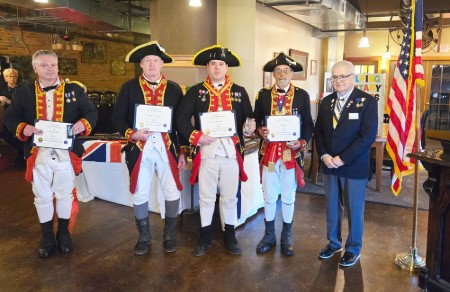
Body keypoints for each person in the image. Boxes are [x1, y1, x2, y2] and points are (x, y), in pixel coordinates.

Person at [4, 50, 98, 258]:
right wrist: (23, 127)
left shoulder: (75, 90)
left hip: (66, 153)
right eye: (44, 65)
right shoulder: (23, 92)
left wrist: (83, 123)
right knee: (42, 196)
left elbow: (91, 113)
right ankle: (47, 236)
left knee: (65, 194)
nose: (49, 69)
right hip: (38, 154)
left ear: (57, 66)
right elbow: (10, 119)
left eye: (53, 65)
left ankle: (64, 234)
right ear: (35, 68)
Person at [175, 45, 255, 257]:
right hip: (207, 152)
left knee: (229, 196)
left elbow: (249, 119)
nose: (217, 67)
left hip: (230, 152)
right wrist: (196, 136)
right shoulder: (196, 91)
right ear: (207, 67)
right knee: (206, 196)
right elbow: (181, 118)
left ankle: (229, 234)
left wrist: (249, 127)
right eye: (213, 64)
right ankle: (205, 235)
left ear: (227, 67)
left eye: (221, 64)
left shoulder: (239, 91)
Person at [111, 41, 188, 255]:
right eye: (147, 61)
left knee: (172, 191)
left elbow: (180, 123)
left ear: (162, 63)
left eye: (156, 61)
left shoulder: (174, 89)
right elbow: (117, 118)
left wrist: (182, 150)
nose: (152, 65)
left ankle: (169, 235)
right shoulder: (129, 87)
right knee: (140, 191)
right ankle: (144, 236)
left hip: (167, 148)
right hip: (139, 148)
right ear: (141, 65)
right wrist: (131, 133)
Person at [314, 60, 377, 267]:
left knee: (354, 209)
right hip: (330, 165)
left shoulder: (367, 101)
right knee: (332, 208)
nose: (338, 81)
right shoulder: (326, 101)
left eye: (343, 76)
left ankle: (353, 248)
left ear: (353, 77)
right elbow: (319, 132)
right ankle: (333, 243)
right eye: (335, 77)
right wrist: (324, 155)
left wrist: (342, 158)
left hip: (353, 166)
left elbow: (367, 137)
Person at [253, 52, 314, 256]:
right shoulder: (262, 95)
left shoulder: (302, 96)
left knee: (288, 196)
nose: (281, 74)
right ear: (273, 74)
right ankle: (269, 235)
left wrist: (301, 142)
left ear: (291, 74)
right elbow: (257, 122)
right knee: (269, 197)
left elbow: (308, 125)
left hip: (291, 155)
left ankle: (286, 235)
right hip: (269, 154)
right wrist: (260, 130)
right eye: (277, 71)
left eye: (285, 71)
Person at [0, 68, 25, 166]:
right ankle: (21, 155)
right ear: (5, 78)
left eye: (14, 76)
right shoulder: (2, 87)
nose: (12, 78)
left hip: (15, 116)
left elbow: (21, 105)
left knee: (10, 135)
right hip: (2, 115)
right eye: (9, 76)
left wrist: (7, 100)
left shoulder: (20, 89)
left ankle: (21, 155)